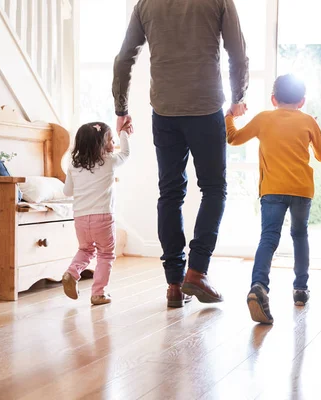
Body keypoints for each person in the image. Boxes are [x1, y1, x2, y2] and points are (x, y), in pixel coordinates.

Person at [112, 0, 249, 307]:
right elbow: (237, 53)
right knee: (214, 189)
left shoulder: (145, 4)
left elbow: (123, 59)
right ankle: (197, 272)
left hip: (165, 111)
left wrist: (121, 109)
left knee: (170, 193)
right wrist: (239, 96)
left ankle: (174, 284)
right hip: (206, 108)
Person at [226, 74, 321, 324]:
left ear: (273, 98)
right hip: (301, 190)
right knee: (299, 235)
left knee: (269, 237)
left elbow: (233, 138)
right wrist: (313, 132)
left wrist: (229, 117)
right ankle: (300, 290)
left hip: (272, 189)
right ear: (302, 101)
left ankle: (259, 286)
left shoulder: (264, 118)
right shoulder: (307, 121)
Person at [62, 122, 132, 305]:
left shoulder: (73, 165)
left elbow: (67, 192)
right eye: (110, 139)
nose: (113, 142)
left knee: (85, 249)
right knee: (106, 254)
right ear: (99, 144)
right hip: (103, 217)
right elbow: (125, 153)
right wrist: (124, 133)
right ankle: (98, 293)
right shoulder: (109, 162)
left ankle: (72, 272)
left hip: (80, 218)